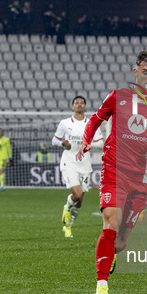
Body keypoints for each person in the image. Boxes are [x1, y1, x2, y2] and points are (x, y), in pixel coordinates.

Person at [76, 51, 147, 294]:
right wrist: (87, 142)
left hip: (141, 178)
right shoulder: (118, 96)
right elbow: (95, 120)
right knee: (110, 225)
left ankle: (114, 252)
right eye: (145, 71)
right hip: (114, 171)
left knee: (120, 242)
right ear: (135, 72)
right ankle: (101, 287)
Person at [53, 96, 104, 238]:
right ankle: (66, 208)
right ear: (72, 107)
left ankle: (68, 226)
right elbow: (54, 140)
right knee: (77, 193)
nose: (79, 105)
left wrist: (91, 145)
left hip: (84, 164)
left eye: (82, 103)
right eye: (77, 103)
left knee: (80, 199)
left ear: (85, 106)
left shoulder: (92, 123)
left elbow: (100, 143)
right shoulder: (64, 123)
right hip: (69, 161)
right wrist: (63, 144)